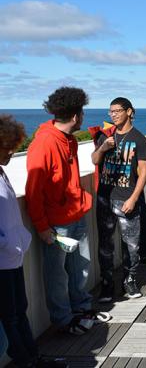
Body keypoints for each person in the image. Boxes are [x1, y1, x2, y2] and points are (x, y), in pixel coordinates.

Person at [26, 87, 110, 335]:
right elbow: (33, 190)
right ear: (76, 116)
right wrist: (42, 226)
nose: (83, 117)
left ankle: (81, 309)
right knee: (57, 276)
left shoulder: (69, 140)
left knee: (79, 269)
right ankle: (63, 321)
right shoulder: (44, 143)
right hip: (56, 225)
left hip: (75, 215)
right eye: (82, 112)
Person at [1, 115, 68, 367]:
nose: (11, 152)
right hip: (3, 259)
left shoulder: (1, 172)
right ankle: (25, 361)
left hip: (12, 257)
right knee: (11, 316)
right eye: (7, 147)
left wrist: (19, 239)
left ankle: (33, 358)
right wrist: (10, 243)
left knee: (20, 311)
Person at [92, 97, 146, 302]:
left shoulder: (140, 139)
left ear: (129, 112)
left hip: (126, 198)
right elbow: (94, 160)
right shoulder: (105, 137)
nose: (113, 115)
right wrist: (102, 148)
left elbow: (143, 173)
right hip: (104, 199)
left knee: (131, 245)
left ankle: (130, 280)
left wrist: (134, 198)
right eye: (111, 111)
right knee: (105, 244)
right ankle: (107, 285)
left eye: (117, 111)